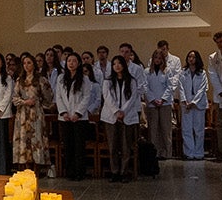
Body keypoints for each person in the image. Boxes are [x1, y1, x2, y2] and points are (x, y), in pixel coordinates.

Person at [54, 52, 95, 181]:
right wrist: (64, 112)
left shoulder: (84, 79)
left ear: (78, 63)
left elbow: (86, 97)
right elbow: (58, 97)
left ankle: (79, 172)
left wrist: (78, 113)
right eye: (69, 61)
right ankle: (69, 171)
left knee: (79, 146)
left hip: (79, 118)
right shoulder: (61, 78)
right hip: (64, 118)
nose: (71, 63)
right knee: (68, 145)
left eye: (74, 61)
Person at [99, 55, 141, 183]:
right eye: (114, 64)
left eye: (119, 63)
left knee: (125, 145)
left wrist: (123, 111)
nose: (117, 66)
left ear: (124, 65)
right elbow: (107, 97)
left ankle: (124, 172)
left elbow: (132, 97)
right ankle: (114, 171)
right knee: (113, 146)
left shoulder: (131, 80)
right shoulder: (108, 81)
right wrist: (116, 111)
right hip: (111, 116)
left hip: (127, 116)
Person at [11, 53, 45, 173]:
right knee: (24, 140)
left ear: (34, 64)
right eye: (24, 63)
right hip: (23, 114)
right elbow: (14, 98)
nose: (26, 65)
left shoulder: (41, 79)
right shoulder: (20, 80)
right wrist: (24, 102)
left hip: (35, 114)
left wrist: (37, 101)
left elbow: (48, 97)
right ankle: (25, 168)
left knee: (35, 139)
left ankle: (37, 168)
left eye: (29, 63)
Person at [142, 42, 175, 159]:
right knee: (153, 129)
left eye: (159, 58)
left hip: (164, 103)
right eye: (155, 57)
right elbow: (145, 87)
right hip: (152, 104)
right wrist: (153, 99)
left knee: (165, 129)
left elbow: (170, 86)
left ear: (162, 59)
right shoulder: (147, 72)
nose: (157, 60)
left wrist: (162, 99)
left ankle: (167, 152)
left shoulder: (167, 70)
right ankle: (154, 152)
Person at [176, 50, 208, 161]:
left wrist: (194, 102)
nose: (191, 59)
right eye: (189, 56)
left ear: (197, 59)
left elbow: (202, 89)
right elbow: (180, 88)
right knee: (187, 129)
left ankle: (199, 152)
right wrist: (185, 101)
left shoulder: (202, 73)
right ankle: (189, 152)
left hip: (198, 104)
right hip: (186, 104)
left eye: (193, 57)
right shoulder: (183, 72)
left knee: (199, 129)